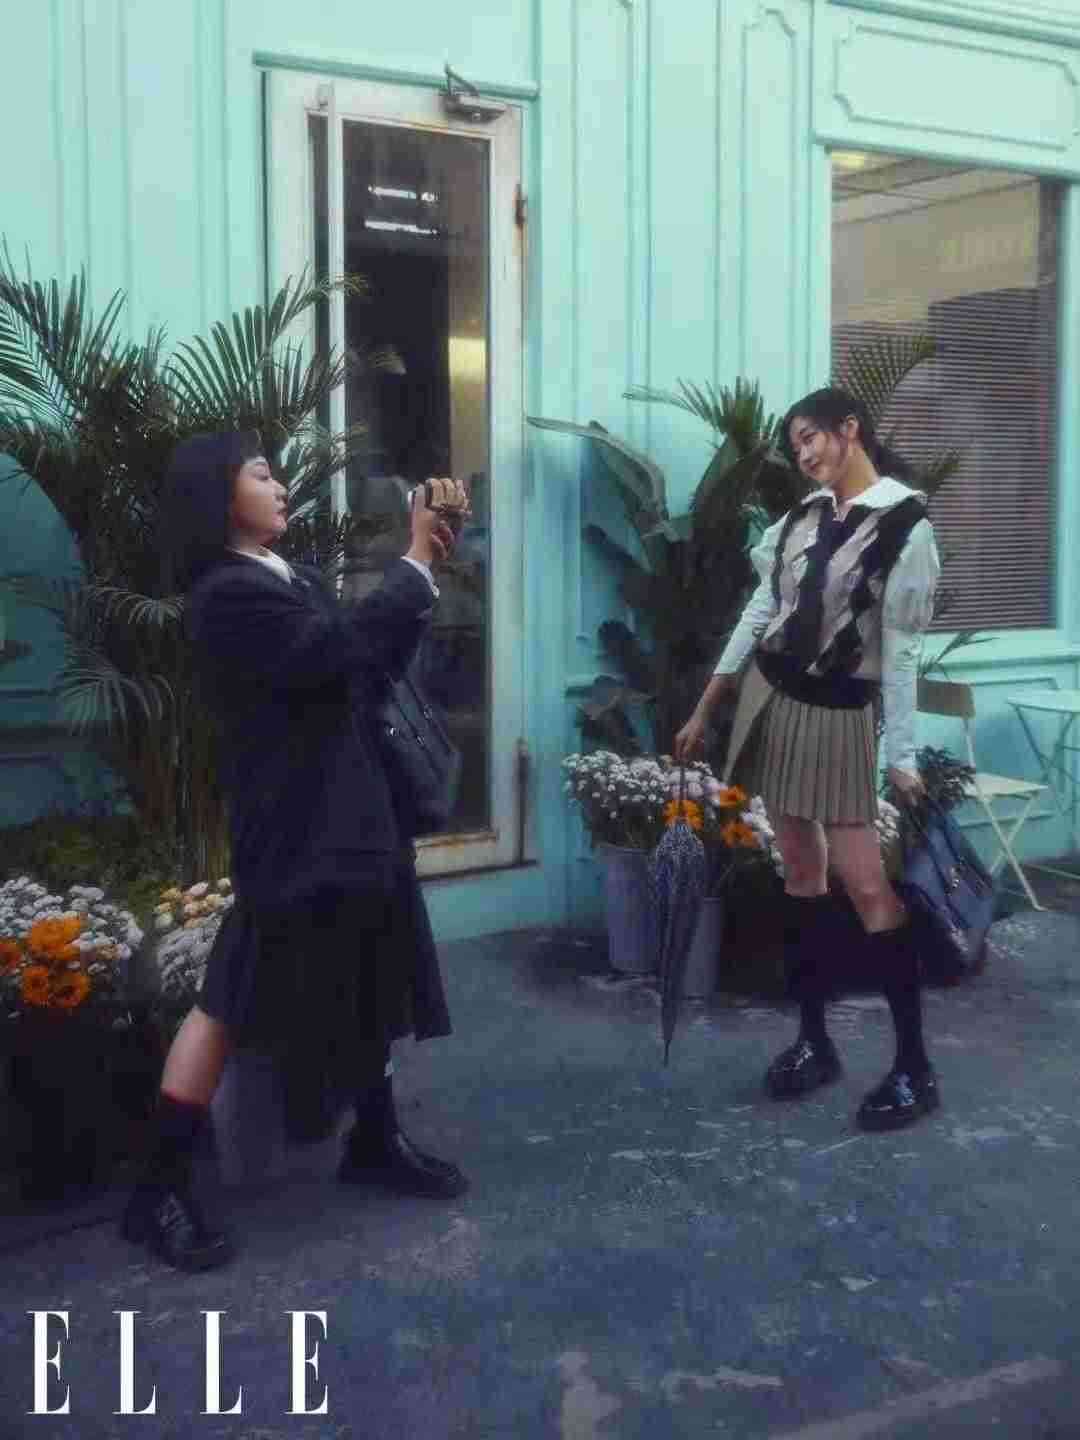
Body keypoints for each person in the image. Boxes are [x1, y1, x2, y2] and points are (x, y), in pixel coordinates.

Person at [121, 432, 470, 1272]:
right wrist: (414, 563)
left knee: (372, 963)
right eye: (261, 473)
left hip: (355, 807)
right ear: (218, 495)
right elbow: (329, 654)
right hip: (295, 824)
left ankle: (374, 1140)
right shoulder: (224, 597)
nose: (280, 485)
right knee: (231, 994)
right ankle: (157, 1188)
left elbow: (364, 664)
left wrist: (419, 574)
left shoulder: (293, 578)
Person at [675, 387, 941, 1132]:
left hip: (839, 714)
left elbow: (903, 650)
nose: (803, 456)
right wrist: (707, 704)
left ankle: (915, 1069)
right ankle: (814, 1042)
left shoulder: (905, 524)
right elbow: (762, 610)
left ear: (849, 430)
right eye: (795, 446)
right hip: (773, 701)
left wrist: (902, 753)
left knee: (868, 886)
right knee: (799, 872)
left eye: (810, 439)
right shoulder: (801, 519)